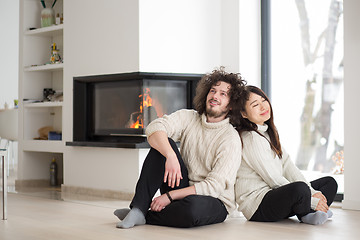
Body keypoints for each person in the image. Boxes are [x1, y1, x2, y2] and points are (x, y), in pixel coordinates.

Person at [114, 67, 246, 228]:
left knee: (192, 209)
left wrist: (169, 197)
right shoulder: (189, 117)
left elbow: (214, 186)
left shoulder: (230, 138)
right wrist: (170, 155)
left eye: (223, 94)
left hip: (214, 200)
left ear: (231, 105)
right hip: (182, 187)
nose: (215, 96)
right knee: (163, 143)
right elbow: (155, 127)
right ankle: (138, 209)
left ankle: (146, 216)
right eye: (213, 91)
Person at [235, 85, 338, 225]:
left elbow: (289, 166)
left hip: (275, 195)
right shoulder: (251, 138)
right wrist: (312, 201)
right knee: (300, 189)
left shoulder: (267, 134)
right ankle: (308, 212)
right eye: (255, 105)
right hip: (258, 206)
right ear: (244, 114)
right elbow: (274, 179)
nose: (263, 106)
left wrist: (313, 192)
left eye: (263, 100)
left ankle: (308, 211)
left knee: (329, 183)